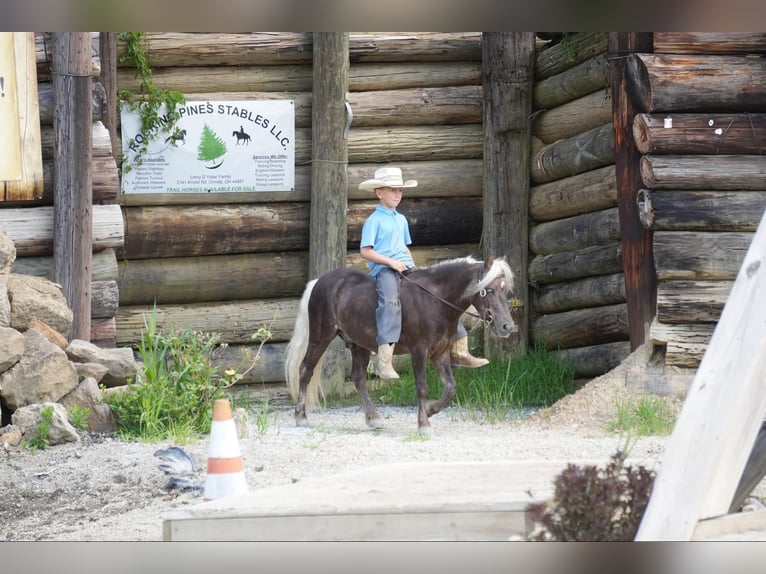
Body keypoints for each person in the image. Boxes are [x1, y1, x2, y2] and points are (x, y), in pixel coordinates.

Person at [359, 166, 489, 380]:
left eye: (399, 191)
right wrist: (391, 263)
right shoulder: (374, 220)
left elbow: (403, 246)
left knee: (437, 298)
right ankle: (384, 361)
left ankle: (459, 349)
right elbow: (366, 251)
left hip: (405, 267)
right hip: (385, 271)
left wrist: (412, 265)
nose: (397, 195)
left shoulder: (400, 220)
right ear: (378, 192)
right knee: (390, 304)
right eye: (392, 190)